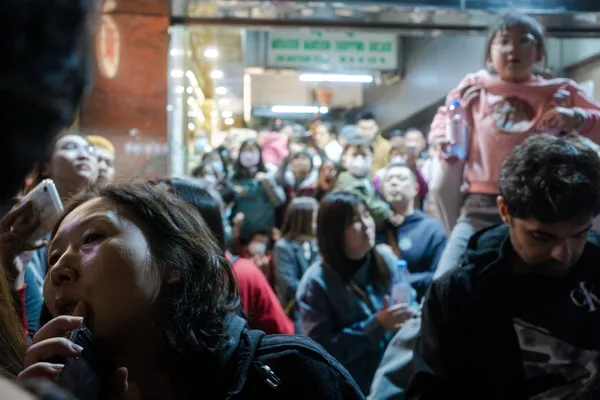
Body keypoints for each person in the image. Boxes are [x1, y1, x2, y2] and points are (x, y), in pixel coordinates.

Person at [19, 183, 363, 399]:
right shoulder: (55, 389)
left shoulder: (294, 373)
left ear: (174, 264)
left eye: (92, 238)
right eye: (51, 257)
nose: (60, 268)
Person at [407, 135, 600, 398]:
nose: (562, 255)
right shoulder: (459, 293)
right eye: (542, 236)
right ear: (504, 211)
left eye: (579, 234)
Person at [428, 13, 600, 278]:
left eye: (524, 40)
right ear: (489, 55)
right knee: (447, 278)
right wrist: (450, 126)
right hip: (482, 206)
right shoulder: (474, 89)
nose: (512, 49)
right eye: (503, 41)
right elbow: (442, 126)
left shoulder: (561, 91)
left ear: (540, 53)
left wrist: (578, 118)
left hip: (549, 208)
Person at [297, 191, 415, 394]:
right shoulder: (316, 282)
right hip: (350, 388)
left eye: (366, 215)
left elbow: (410, 302)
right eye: (355, 220)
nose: (367, 224)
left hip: (395, 381)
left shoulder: (385, 260)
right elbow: (319, 351)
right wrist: (376, 326)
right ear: (335, 231)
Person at [380, 163, 446, 298]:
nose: (393, 183)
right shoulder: (374, 226)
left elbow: (440, 276)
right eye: (388, 179)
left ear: (416, 188)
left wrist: (401, 280)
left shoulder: (430, 229)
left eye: (401, 178)